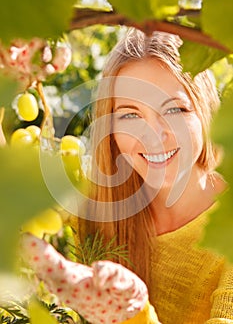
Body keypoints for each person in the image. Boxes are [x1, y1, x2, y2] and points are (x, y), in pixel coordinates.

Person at [22, 28, 231, 324]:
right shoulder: (91, 208)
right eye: (130, 115)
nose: (153, 137)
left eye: (174, 109)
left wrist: (136, 313)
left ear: (205, 110)